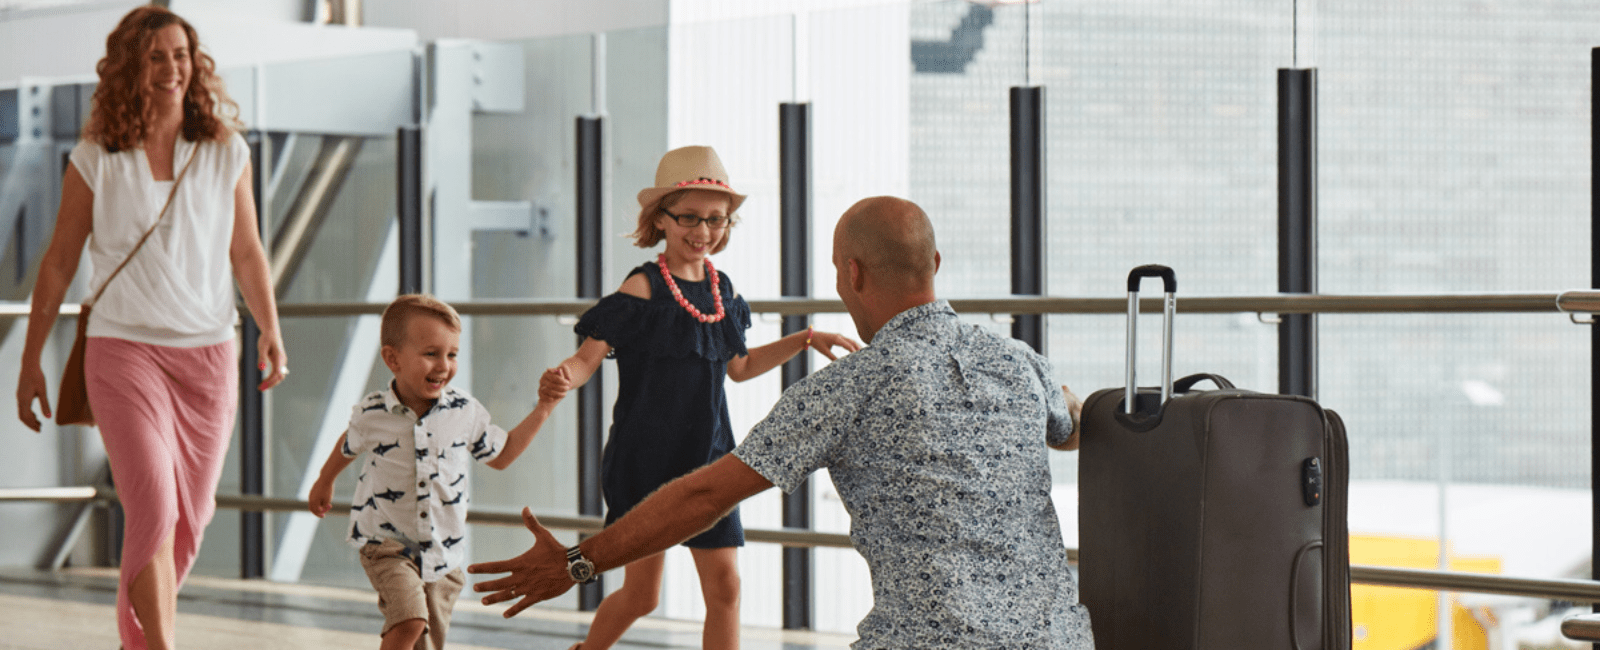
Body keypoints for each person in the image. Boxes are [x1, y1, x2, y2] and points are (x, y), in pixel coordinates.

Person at [471, 196, 1097, 649]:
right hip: (1061, 641)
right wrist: (1077, 404)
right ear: (934, 261)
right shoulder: (1019, 362)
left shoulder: (847, 388)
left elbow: (705, 495)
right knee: (668, 591)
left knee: (706, 588)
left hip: (922, 641)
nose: (703, 229)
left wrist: (576, 563)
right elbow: (1075, 427)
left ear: (851, 273)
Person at [12, 7, 287, 650]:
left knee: (189, 520)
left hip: (209, 355)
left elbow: (246, 252)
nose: (171, 68)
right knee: (154, 507)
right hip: (123, 350)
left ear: (196, 63)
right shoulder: (96, 157)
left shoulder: (225, 151)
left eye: (180, 54)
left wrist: (270, 329)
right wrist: (30, 360)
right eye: (155, 56)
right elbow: (59, 261)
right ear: (130, 68)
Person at [534, 145, 861, 650]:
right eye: (689, 217)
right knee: (642, 596)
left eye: (716, 219)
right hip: (645, 463)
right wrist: (563, 376)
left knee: (725, 588)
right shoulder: (642, 288)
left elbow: (740, 368)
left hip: (709, 459)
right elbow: (585, 360)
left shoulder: (722, 290)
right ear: (660, 219)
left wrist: (804, 339)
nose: (703, 230)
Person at [308, 294, 555, 650]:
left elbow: (501, 456)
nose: (444, 365)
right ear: (392, 358)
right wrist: (324, 480)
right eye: (431, 353)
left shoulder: (465, 411)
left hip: (442, 553)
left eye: (452, 354)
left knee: (427, 642)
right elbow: (349, 444)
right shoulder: (372, 413)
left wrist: (544, 407)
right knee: (409, 621)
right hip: (386, 545)